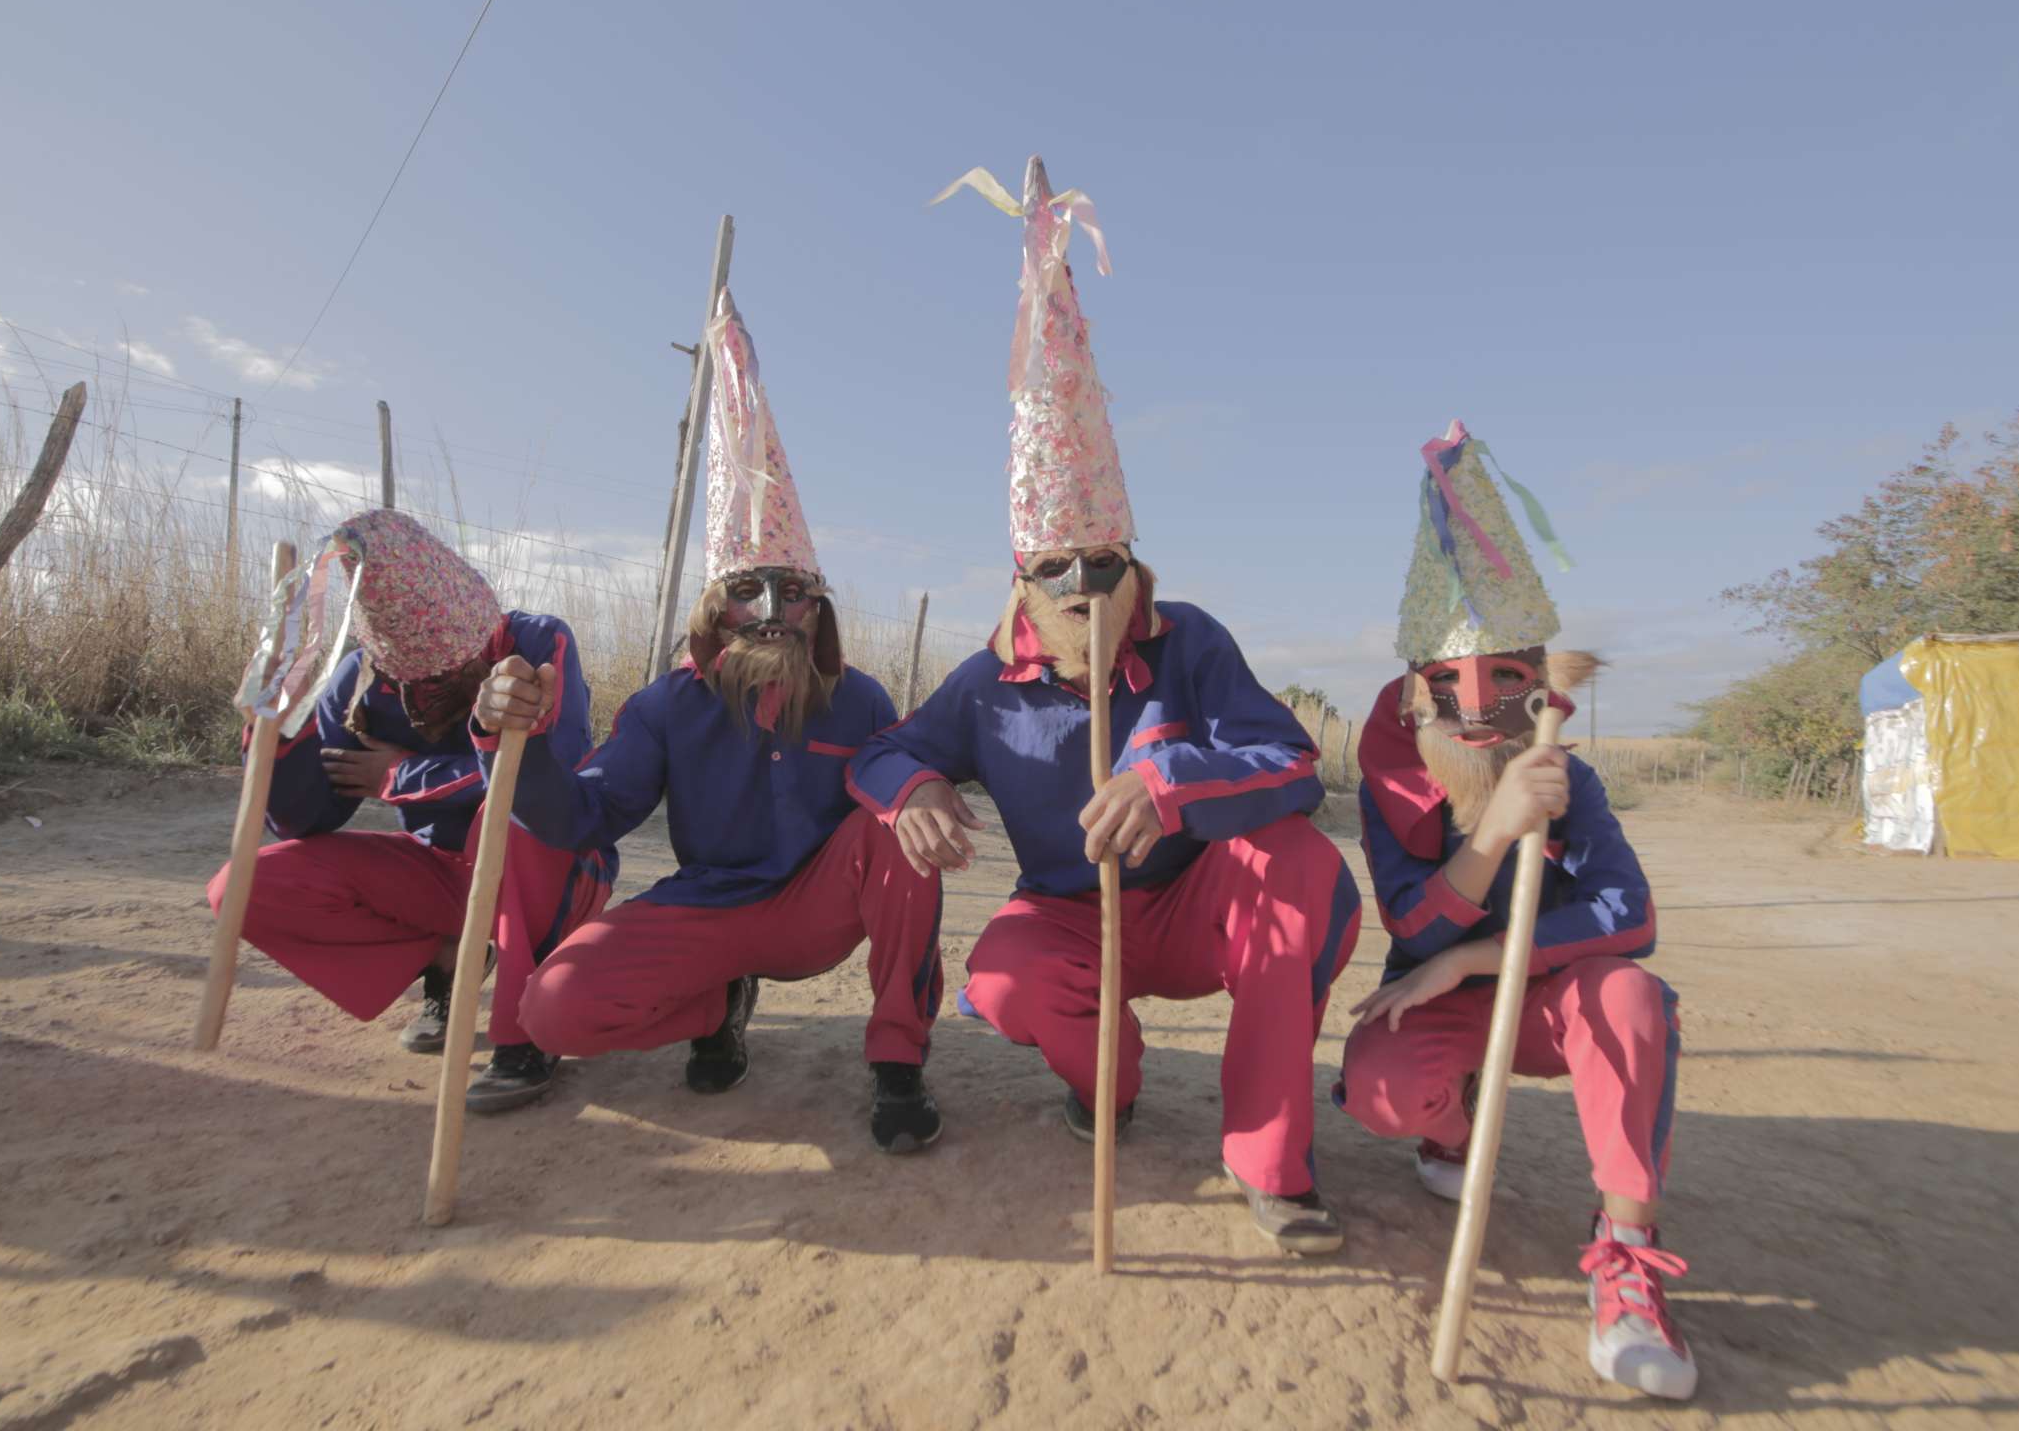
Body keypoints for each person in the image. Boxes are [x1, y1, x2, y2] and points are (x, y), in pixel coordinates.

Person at [850, 159, 1362, 1254]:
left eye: (1102, 564)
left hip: (1191, 911)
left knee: (1300, 868)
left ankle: (1268, 1160)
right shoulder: (990, 676)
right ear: (1021, 584)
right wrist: (917, 788)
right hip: (1075, 918)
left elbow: (1289, 768)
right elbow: (886, 752)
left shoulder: (1192, 640)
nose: (1081, 590)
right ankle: (1110, 1085)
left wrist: (1168, 782)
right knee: (1004, 970)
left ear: (1134, 565)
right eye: (1056, 571)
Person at [475, 290, 948, 1154]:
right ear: (713, 607)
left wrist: (914, 784)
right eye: (745, 591)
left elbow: (890, 770)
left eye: (792, 590)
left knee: (900, 825)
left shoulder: (862, 699)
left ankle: (897, 1060)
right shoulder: (664, 706)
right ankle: (717, 1002)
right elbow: (579, 816)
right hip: (708, 907)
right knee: (553, 1010)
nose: (770, 611)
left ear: (818, 607)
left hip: (813, 912)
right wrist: (519, 736)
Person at [1333, 419, 1694, 1399]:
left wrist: (1477, 960)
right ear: (1415, 695)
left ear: (1537, 684)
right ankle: (1446, 1132)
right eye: (1448, 688)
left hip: (1549, 1002)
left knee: (1629, 999)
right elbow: (1414, 929)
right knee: (1378, 1087)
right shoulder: (1389, 782)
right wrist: (1490, 833)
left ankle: (1625, 1257)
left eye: (1503, 679)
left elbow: (1631, 917)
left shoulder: (1567, 781)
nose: (1477, 708)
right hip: (1450, 1003)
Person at [204, 509, 614, 1114]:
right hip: (441, 872)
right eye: (418, 679)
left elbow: (550, 785)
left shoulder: (537, 642)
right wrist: (277, 728)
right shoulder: (360, 680)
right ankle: (449, 960)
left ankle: (524, 1032)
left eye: (450, 669)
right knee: (246, 885)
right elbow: (304, 819)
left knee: (513, 822)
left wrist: (397, 775)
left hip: (553, 868)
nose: (433, 688)